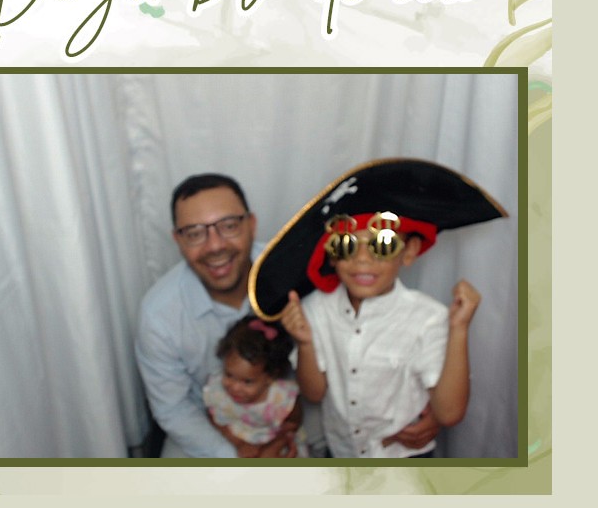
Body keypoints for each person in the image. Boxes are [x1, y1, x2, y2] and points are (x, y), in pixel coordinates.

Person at [254, 159, 507, 459]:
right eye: (346, 245)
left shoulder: (428, 318)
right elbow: (314, 393)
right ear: (330, 256)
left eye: (382, 245)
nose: (362, 259)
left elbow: (449, 414)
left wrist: (459, 328)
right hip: (342, 454)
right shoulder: (316, 309)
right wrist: (305, 343)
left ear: (409, 251)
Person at [134, 172, 290, 458]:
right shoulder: (158, 315)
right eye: (195, 233)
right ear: (178, 240)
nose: (215, 245)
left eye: (229, 226)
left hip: (286, 418)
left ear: (251, 225)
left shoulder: (290, 273)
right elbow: (174, 409)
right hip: (205, 427)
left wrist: (282, 439)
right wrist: (236, 457)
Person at [205, 316, 304, 458]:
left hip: (276, 442)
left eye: (247, 382)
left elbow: (293, 423)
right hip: (234, 440)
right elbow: (214, 418)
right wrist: (239, 443)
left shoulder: (281, 398)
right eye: (229, 375)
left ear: (270, 377)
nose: (235, 387)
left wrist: (273, 445)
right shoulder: (218, 391)